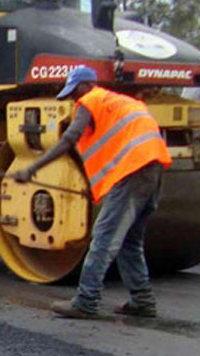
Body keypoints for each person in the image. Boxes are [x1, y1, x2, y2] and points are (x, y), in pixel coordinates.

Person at [13, 65, 171, 319]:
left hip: (131, 171)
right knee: (130, 241)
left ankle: (86, 301)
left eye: (74, 92)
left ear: (86, 86)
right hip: (152, 171)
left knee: (104, 238)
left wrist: (31, 169)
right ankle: (142, 300)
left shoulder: (91, 100)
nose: (75, 100)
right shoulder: (123, 102)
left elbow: (68, 139)